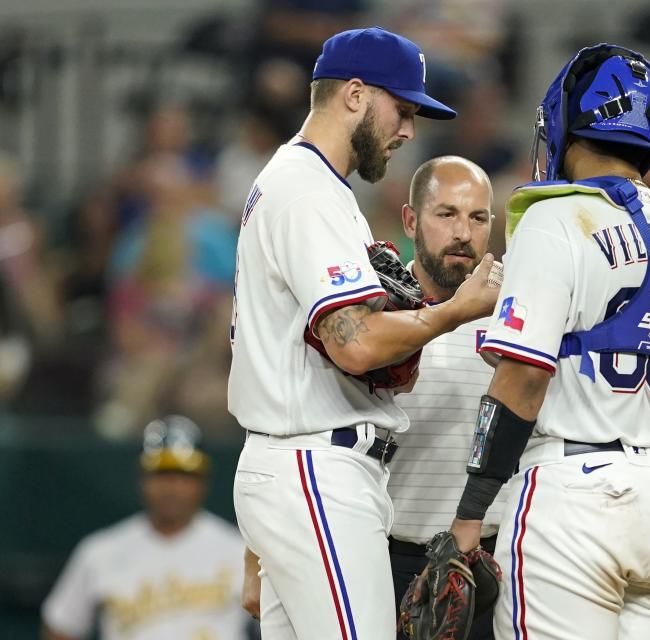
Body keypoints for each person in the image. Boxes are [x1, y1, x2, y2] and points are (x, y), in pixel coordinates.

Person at [447, 44, 650, 639]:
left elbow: (523, 376)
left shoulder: (557, 220)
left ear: (565, 127)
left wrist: (470, 516)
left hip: (570, 495)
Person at [227, 27, 500, 639]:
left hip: (298, 465)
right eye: (401, 109)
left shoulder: (308, 184)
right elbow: (355, 344)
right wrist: (454, 312)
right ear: (354, 94)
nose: (408, 129)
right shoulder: (307, 191)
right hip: (315, 469)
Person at [386, 156, 504, 640]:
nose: (463, 232)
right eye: (446, 214)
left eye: (477, 218)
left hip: (491, 559)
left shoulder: (519, 306)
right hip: (386, 554)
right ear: (411, 220)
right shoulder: (376, 307)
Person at [41, 415, 248, 640]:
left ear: (202, 482)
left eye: (183, 475)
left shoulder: (240, 550)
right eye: (161, 475)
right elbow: (61, 627)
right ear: (142, 479)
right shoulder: (100, 551)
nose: (172, 487)